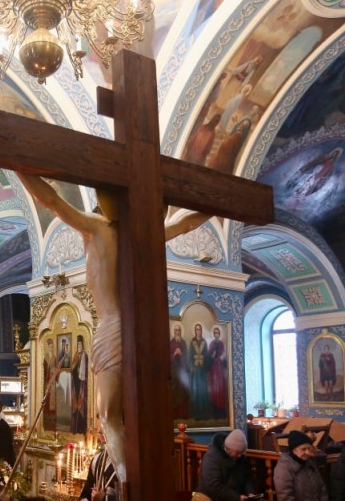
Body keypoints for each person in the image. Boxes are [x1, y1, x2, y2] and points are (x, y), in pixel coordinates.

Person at [17, 172, 209, 480]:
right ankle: (150, 476)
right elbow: (187, 223)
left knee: (108, 415)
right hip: (147, 330)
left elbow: (50, 200)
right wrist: (216, 204)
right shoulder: (147, 233)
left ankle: (128, 482)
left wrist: (17, 167)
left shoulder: (97, 228)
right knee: (145, 412)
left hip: (113, 326)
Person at [189, 324, 210, 420]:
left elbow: (206, 356)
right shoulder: (192, 342)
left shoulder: (204, 342)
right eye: (197, 329)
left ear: (201, 331)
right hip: (195, 371)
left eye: (200, 330)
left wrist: (206, 368)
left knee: (203, 391)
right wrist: (191, 366)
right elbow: (190, 355)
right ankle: (196, 414)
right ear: (195, 331)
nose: (198, 331)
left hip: (202, 370)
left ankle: (204, 413)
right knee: (196, 391)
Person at [70, 335, 89, 434]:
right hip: (76, 384)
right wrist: (74, 370)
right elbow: (72, 368)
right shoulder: (75, 355)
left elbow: (86, 370)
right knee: (75, 405)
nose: (79, 346)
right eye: (78, 345)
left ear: (83, 345)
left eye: (80, 344)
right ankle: (75, 429)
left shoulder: (85, 356)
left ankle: (82, 429)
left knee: (82, 405)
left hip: (82, 385)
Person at [207, 326, 228, 419]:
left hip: (219, 367)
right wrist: (213, 355)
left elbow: (223, 354)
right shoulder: (212, 343)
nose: (216, 334)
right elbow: (209, 355)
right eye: (215, 333)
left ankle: (221, 411)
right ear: (213, 334)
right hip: (213, 368)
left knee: (220, 388)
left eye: (218, 333)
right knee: (214, 389)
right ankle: (214, 412)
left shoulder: (221, 343)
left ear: (219, 334)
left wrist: (220, 356)